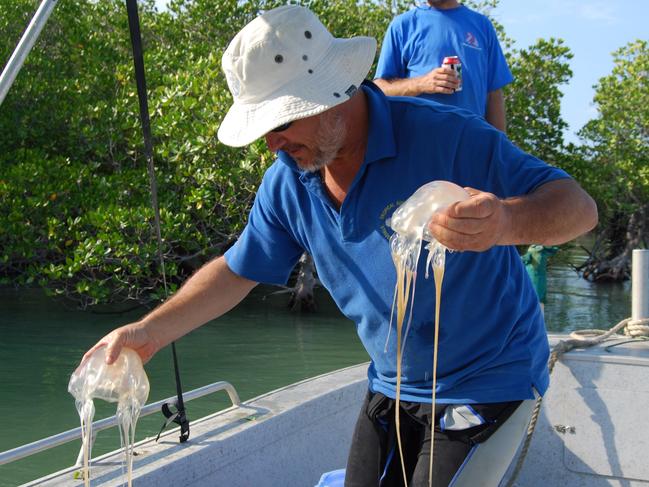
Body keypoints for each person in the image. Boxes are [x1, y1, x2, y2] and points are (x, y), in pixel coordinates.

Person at [81, 5, 598, 486]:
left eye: (279, 122)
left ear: (333, 92)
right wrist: (148, 332)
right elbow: (238, 271)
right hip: (393, 383)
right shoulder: (289, 180)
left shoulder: (450, 136)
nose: (271, 143)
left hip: (490, 377)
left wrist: (506, 221)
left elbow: (578, 207)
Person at [374, 0, 512, 132]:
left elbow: (493, 94)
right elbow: (380, 88)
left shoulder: (482, 25)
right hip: (419, 144)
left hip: (471, 145)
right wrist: (421, 83)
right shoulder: (402, 25)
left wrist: (501, 150)